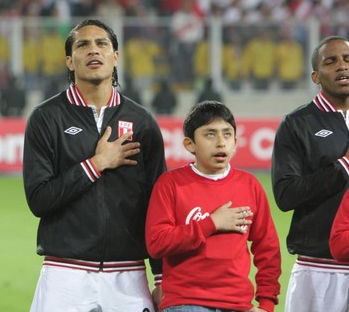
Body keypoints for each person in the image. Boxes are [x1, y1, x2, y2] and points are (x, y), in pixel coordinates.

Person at [23, 19, 167, 312]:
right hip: (65, 273)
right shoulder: (46, 118)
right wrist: (96, 164)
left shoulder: (142, 122)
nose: (93, 51)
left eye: (102, 44)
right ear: (70, 61)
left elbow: (158, 205)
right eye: (83, 45)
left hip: (128, 275)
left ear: (115, 57)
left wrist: (163, 276)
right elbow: (39, 200)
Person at [146, 101, 281, 312]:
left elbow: (268, 249)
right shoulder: (170, 184)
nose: (220, 143)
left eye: (227, 134)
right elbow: (157, 243)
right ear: (190, 144)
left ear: (235, 142)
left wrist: (266, 303)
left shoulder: (249, 185)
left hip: (238, 305)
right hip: (186, 303)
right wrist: (211, 223)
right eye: (210, 134)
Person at [271, 36, 349, 312]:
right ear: (315, 76)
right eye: (331, 61)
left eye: (348, 59)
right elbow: (285, 194)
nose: (342, 66)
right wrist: (343, 166)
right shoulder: (297, 124)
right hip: (319, 271)